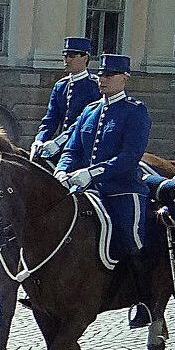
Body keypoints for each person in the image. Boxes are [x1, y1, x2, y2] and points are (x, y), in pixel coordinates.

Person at [56, 53, 153, 328]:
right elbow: (73, 148)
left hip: (122, 188)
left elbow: (129, 157)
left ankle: (145, 299)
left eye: (110, 75)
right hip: (85, 188)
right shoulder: (90, 111)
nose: (103, 80)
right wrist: (62, 170)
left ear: (124, 78)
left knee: (131, 237)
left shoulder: (135, 111)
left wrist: (92, 172)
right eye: (101, 75)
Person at [30, 37, 100, 165]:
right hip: (59, 148)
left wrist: (59, 141)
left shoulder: (95, 86)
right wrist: (39, 140)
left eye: (72, 56)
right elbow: (51, 119)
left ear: (85, 57)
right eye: (65, 56)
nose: (67, 60)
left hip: (84, 149)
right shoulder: (61, 86)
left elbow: (86, 122)